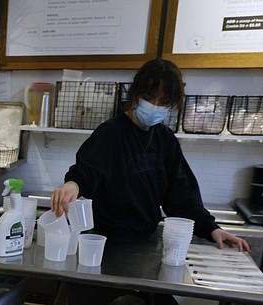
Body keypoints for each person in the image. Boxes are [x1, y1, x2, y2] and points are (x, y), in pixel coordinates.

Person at [51, 58, 249, 251]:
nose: (154, 105)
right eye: (148, 97)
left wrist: (212, 229)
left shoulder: (165, 139)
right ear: (135, 93)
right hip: (105, 242)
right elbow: (87, 170)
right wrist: (73, 184)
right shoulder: (110, 132)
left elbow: (182, 197)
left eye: (163, 101)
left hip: (145, 241)